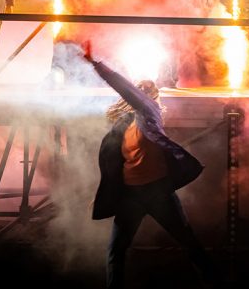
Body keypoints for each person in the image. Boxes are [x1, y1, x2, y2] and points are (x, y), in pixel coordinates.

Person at [83, 45, 221, 289]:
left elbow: (125, 89)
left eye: (147, 91)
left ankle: (215, 281)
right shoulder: (122, 126)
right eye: (142, 89)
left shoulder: (150, 112)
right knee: (116, 251)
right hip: (131, 196)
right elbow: (113, 167)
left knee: (187, 241)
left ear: (152, 97)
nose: (143, 93)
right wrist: (104, 193)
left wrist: (98, 65)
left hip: (158, 193)